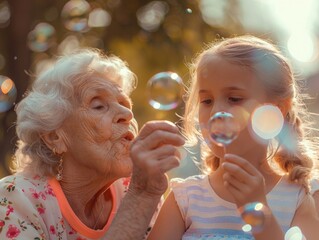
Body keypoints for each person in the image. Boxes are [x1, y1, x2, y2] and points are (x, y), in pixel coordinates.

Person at [0, 48, 184, 239]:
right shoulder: (13, 202)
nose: (127, 114)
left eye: (125, 104)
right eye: (98, 106)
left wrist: (144, 193)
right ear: (55, 137)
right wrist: (141, 197)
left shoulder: (131, 187)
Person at [147, 35, 319, 240]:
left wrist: (258, 210)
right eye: (207, 101)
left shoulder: (300, 198)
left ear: (277, 110)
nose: (216, 112)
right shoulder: (186, 198)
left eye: (234, 99)